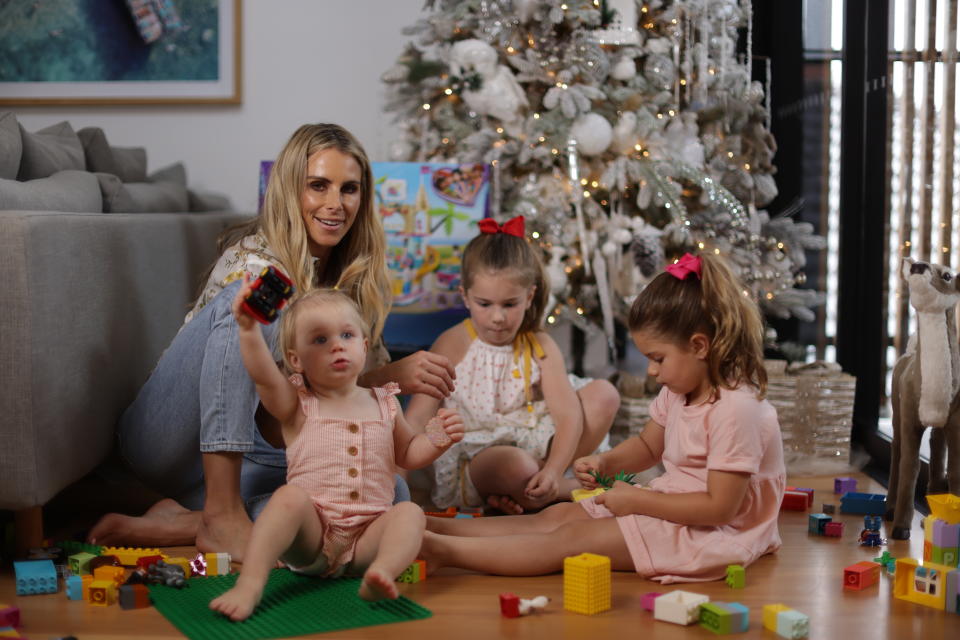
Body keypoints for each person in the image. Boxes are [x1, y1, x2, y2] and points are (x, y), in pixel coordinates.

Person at [88, 124, 457, 560]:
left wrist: (394, 390)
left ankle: (186, 520)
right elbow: (280, 390)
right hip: (170, 438)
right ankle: (222, 514)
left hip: (255, 454)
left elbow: (332, 403)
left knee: (386, 494)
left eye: (349, 189)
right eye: (318, 186)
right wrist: (392, 373)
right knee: (258, 293)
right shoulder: (255, 258)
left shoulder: (357, 281)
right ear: (289, 189)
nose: (335, 204)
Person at [419, 252, 786, 584]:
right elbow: (646, 446)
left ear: (699, 346)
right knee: (555, 518)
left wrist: (638, 502)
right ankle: (429, 527)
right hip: (674, 504)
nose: (652, 371)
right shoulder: (680, 390)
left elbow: (720, 508)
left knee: (570, 541)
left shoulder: (736, 409)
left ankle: (440, 551)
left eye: (658, 358)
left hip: (714, 531)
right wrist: (605, 462)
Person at [210, 285, 463, 621]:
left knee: (410, 513)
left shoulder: (385, 403)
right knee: (287, 498)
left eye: (347, 334)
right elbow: (265, 378)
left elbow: (408, 454)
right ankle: (251, 584)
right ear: (296, 359)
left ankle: (382, 573)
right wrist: (248, 330)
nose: (337, 346)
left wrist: (436, 439)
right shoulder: (298, 405)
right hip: (312, 540)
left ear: (364, 344)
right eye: (320, 339)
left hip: (367, 541)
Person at [405, 215, 620, 514]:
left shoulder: (539, 343)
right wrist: (398, 480)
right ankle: (554, 489)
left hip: (534, 442)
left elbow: (568, 414)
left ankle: (543, 487)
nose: (497, 317)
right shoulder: (452, 343)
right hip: (480, 453)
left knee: (604, 395)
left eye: (509, 304)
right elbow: (417, 418)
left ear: (530, 296)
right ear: (465, 297)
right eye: (484, 304)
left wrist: (553, 470)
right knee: (516, 466)